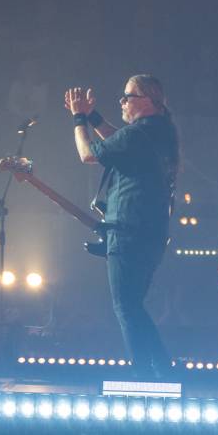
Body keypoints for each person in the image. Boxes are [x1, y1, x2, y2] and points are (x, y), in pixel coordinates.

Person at [65, 75, 178, 379]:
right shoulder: (162, 131)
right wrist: (94, 116)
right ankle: (163, 369)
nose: (122, 102)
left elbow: (88, 154)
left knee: (125, 307)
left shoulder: (138, 135)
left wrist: (79, 119)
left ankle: (145, 374)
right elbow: (119, 139)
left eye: (128, 96)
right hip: (151, 233)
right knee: (133, 305)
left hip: (128, 232)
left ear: (148, 101)